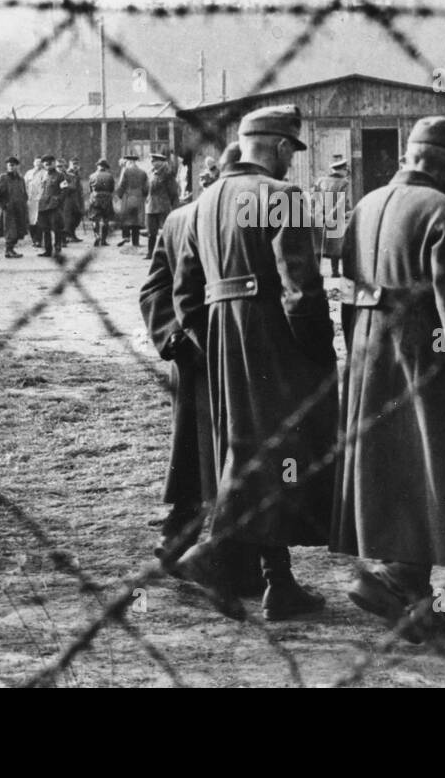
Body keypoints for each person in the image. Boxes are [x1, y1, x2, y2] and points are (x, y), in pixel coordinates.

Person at [333, 117, 445, 644]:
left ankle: (408, 588)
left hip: (369, 346)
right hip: (422, 348)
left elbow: (344, 284)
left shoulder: (367, 203)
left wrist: (358, 347)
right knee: (437, 460)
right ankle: (397, 578)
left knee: (389, 461)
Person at [173, 105, 337, 622]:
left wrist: (210, 342)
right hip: (273, 334)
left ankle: (277, 582)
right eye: (291, 150)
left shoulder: (203, 203)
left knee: (248, 450)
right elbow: (300, 287)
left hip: (223, 336)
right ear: (281, 146)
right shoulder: (281, 196)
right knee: (282, 448)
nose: (291, 160)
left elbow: (185, 291)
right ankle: (214, 553)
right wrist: (317, 348)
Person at [139, 143, 263, 595]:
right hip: (200, 358)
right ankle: (184, 540)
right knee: (201, 453)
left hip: (232, 353)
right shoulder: (178, 221)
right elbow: (154, 289)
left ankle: (214, 549)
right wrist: (173, 338)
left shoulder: (241, 215)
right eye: (204, 175)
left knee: (226, 451)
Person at [312, 156, 351, 277]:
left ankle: (317, 271)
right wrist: (332, 214)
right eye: (346, 169)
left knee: (319, 244)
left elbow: (314, 199)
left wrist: (318, 213)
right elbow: (341, 202)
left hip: (319, 216)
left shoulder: (320, 181)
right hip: (335, 217)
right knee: (335, 245)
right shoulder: (344, 183)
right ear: (342, 169)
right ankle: (334, 272)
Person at [144, 152, 180, 257]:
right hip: (150, 206)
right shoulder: (150, 173)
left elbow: (173, 191)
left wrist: (174, 207)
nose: (152, 163)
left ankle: (169, 253)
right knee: (151, 232)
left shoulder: (167, 174)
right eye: (152, 161)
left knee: (166, 231)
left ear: (161, 162)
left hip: (163, 206)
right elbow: (147, 189)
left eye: (154, 161)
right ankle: (150, 253)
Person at [0, 156, 29, 258]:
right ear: (7, 166)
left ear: (17, 166)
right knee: (10, 230)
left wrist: (24, 203)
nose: (12, 167)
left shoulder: (20, 179)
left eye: (14, 165)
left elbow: (24, 193)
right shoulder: (3, 177)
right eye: (10, 165)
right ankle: (8, 250)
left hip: (19, 208)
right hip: (8, 209)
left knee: (19, 230)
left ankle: (11, 249)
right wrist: (4, 205)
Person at [115, 154, 149, 247]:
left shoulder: (126, 171)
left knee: (126, 218)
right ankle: (136, 242)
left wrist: (119, 195)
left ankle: (126, 236)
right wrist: (143, 196)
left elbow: (122, 185)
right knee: (136, 221)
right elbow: (146, 188)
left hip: (128, 196)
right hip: (139, 197)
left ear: (129, 162)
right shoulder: (143, 172)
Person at [35, 154, 64, 258]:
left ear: (54, 163)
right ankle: (48, 250)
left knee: (56, 227)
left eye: (50, 162)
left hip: (54, 205)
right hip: (43, 205)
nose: (47, 163)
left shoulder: (60, 176)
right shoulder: (42, 175)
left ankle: (57, 246)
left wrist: (58, 200)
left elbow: (64, 190)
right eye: (45, 162)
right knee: (45, 229)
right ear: (43, 164)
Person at [87, 158, 116, 246]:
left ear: (98, 166)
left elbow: (90, 189)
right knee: (105, 220)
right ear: (106, 167)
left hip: (95, 198)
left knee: (95, 219)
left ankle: (97, 236)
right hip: (106, 198)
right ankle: (103, 240)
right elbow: (112, 189)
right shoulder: (110, 176)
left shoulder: (92, 176)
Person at [61, 157, 84, 245]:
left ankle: (72, 234)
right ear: (69, 164)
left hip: (76, 199)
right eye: (73, 164)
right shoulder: (67, 174)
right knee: (69, 218)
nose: (75, 166)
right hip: (68, 199)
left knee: (77, 217)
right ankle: (68, 236)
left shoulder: (77, 173)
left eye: (77, 164)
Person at [25, 156, 45, 249]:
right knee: (31, 221)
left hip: (39, 200)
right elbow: (24, 185)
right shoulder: (29, 173)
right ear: (33, 163)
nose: (38, 164)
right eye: (36, 162)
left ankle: (39, 240)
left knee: (39, 220)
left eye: (40, 162)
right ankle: (34, 239)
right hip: (30, 200)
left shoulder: (45, 173)